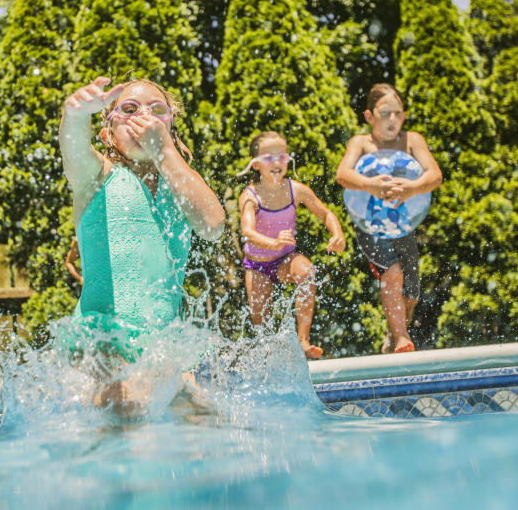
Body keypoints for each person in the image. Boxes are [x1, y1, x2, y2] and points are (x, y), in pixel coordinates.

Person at [59, 76, 225, 411]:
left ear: (169, 128)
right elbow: (73, 147)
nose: (141, 117)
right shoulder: (96, 175)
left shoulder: (179, 184)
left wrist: (164, 150)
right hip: (101, 341)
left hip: (160, 346)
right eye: (129, 109)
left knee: (205, 422)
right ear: (107, 133)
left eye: (156, 110)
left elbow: (213, 226)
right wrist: (75, 115)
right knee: (129, 405)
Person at [335, 84, 442, 353]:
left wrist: (410, 188)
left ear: (404, 116)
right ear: (369, 116)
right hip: (371, 226)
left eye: (397, 113)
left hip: (403, 225)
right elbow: (343, 175)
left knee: (412, 292)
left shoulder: (412, 141)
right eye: (385, 113)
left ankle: (394, 335)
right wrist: (369, 185)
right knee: (392, 273)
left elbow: (434, 175)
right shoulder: (360, 143)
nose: (392, 119)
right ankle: (402, 336)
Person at [237, 131, 346, 359]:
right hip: (257, 266)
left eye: (282, 156)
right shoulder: (250, 196)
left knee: (307, 271)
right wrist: (274, 242)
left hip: (285, 260)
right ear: (256, 165)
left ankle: (303, 340)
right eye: (268, 157)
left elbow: (325, 213)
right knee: (262, 333)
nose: (276, 162)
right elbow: (247, 231)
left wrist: (337, 233)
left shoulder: (296, 190)